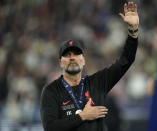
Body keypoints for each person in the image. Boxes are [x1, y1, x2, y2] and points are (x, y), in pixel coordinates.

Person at [40, 1, 139, 131]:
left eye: (76, 54)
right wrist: (82, 116)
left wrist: (133, 31)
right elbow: (50, 127)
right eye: (67, 55)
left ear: (84, 60)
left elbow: (126, 60)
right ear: (60, 62)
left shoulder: (97, 83)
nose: (72, 58)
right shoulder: (51, 91)